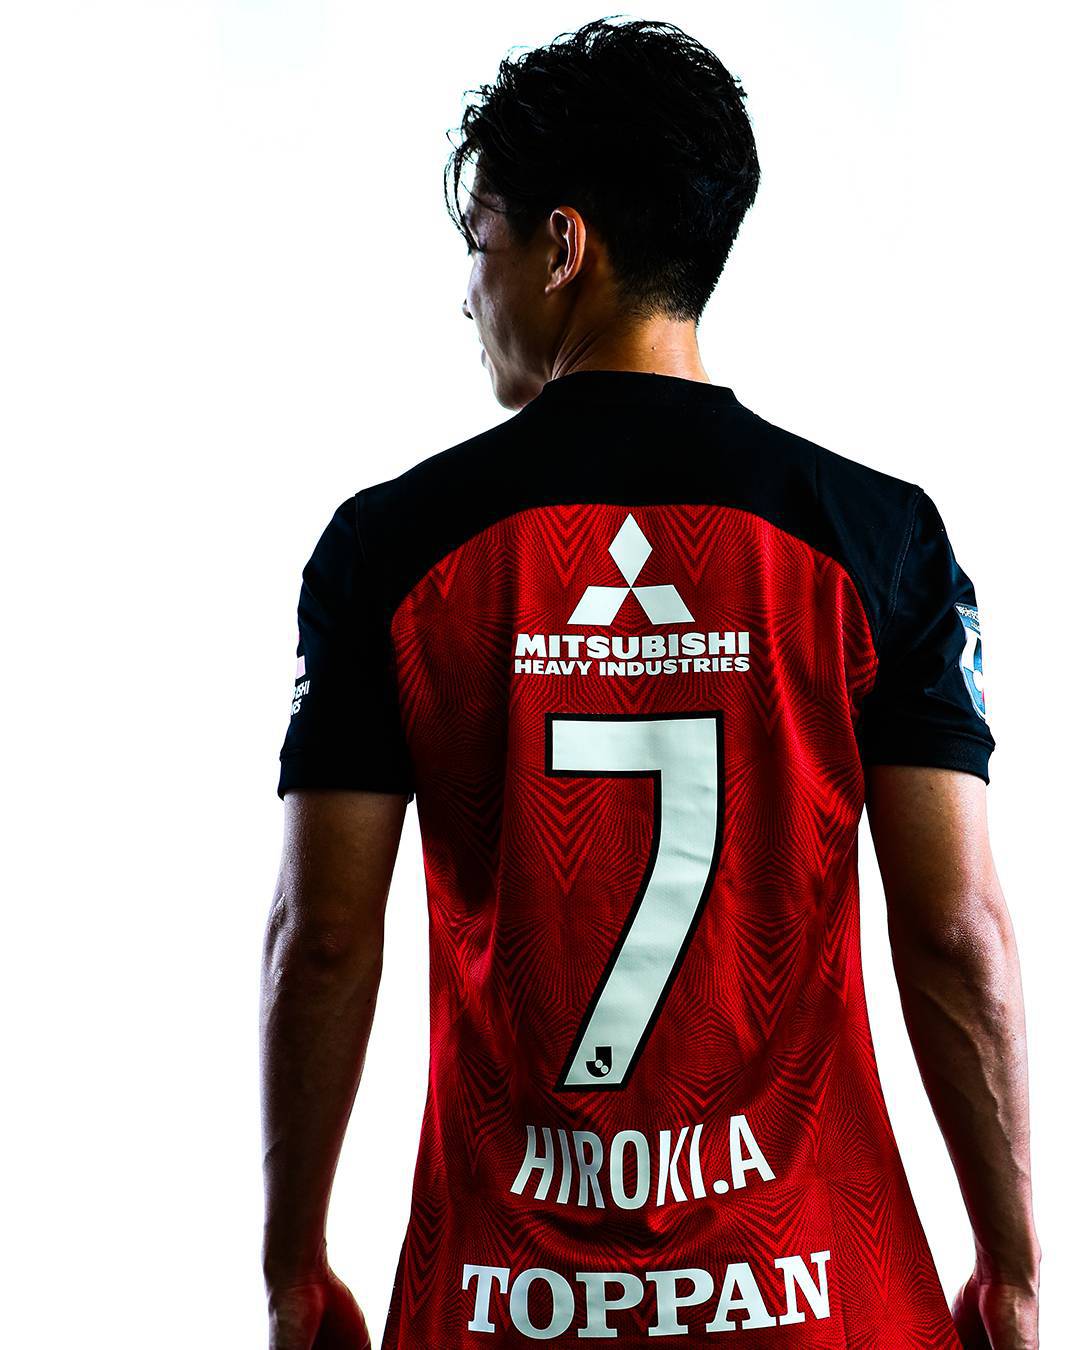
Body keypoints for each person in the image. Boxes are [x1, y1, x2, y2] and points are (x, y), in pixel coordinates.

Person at [260, 18, 1039, 1349]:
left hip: (500, 1299)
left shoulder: (390, 552)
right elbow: (958, 934)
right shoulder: (877, 542)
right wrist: (1012, 1270)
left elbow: (321, 939)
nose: (467, 295)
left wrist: (294, 1267)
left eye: (480, 242)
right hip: (815, 1296)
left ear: (563, 247)